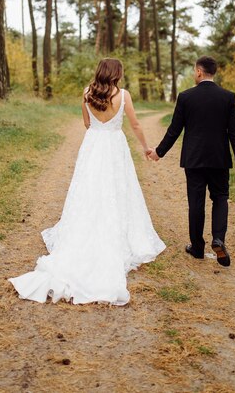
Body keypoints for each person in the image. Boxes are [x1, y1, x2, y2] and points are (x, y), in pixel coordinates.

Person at [8, 58, 165, 305]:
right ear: (116, 74)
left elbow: (87, 124)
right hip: (114, 146)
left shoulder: (86, 93)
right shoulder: (123, 95)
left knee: (89, 189)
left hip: (93, 145)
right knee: (116, 188)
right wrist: (147, 148)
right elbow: (134, 124)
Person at [147, 56, 235, 267]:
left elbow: (174, 130)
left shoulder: (186, 97)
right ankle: (218, 239)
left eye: (194, 71)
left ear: (199, 72)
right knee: (220, 198)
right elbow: (234, 132)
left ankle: (197, 247)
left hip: (194, 159)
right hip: (219, 159)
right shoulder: (228, 97)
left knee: (196, 202)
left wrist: (159, 152)